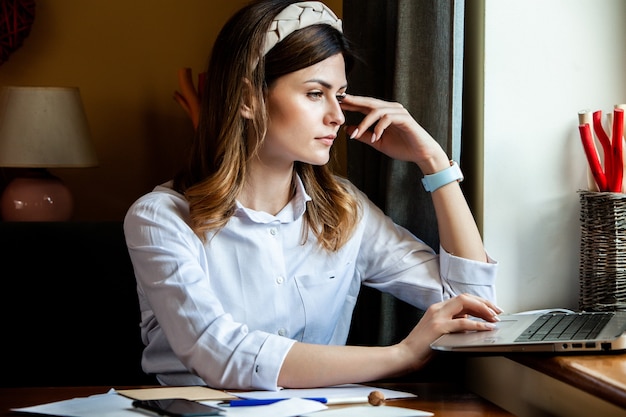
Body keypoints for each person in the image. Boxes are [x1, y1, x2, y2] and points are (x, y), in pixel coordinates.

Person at [123, 0, 500, 391]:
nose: (337, 115)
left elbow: (472, 305)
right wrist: (400, 355)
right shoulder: (160, 218)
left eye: (340, 95)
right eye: (315, 93)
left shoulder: (345, 210)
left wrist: (434, 163)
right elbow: (223, 356)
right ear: (247, 99)